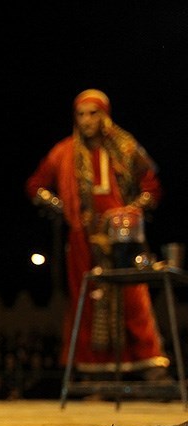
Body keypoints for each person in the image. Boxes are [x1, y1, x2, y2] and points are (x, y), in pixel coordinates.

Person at [25, 89, 170, 380]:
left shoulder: (125, 147)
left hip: (122, 235)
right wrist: (63, 208)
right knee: (87, 300)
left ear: (105, 116)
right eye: (80, 114)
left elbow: (152, 187)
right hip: (83, 236)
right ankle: (94, 374)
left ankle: (151, 366)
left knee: (133, 297)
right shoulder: (63, 152)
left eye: (93, 113)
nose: (86, 120)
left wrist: (130, 212)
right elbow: (35, 186)